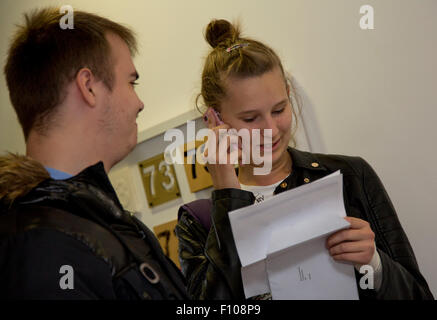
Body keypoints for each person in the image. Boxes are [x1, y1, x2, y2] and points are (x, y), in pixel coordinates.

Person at [175, 19, 434, 300]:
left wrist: (376, 265)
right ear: (215, 119)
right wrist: (226, 191)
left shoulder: (350, 176)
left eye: (279, 109)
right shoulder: (198, 222)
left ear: (289, 93)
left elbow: (418, 295)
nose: (271, 130)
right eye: (251, 118)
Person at [0, 7, 188, 299]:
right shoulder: (43, 245)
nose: (139, 103)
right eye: (131, 82)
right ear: (88, 87)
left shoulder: (98, 221)